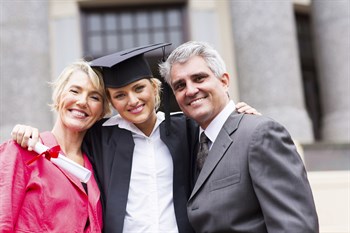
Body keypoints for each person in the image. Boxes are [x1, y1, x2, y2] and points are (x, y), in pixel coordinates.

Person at [10, 43, 260, 233]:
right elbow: (66, 134)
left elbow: (222, 134)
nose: (132, 101)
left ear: (154, 87)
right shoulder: (100, 138)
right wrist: (27, 130)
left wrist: (238, 116)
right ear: (112, 102)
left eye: (139, 89)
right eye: (119, 95)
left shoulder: (188, 129)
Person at [159, 41, 319, 233]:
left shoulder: (260, 134)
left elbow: (294, 227)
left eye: (199, 78)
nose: (190, 90)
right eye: (180, 85)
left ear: (224, 81)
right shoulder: (191, 143)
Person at [0, 61, 111, 232]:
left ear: (102, 111)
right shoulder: (24, 151)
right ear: (59, 95)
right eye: (75, 91)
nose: (82, 102)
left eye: (94, 97)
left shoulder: (97, 169)